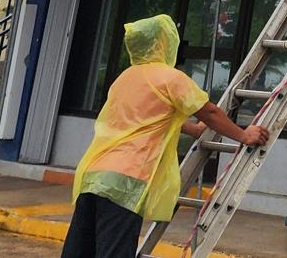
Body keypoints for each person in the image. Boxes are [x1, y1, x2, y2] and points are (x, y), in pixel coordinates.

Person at [61, 14, 267, 258]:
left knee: (79, 251)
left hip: (93, 175)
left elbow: (147, 118)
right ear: (162, 44)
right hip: (126, 179)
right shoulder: (170, 78)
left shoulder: (124, 78)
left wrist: (194, 129)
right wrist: (244, 135)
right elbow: (210, 112)